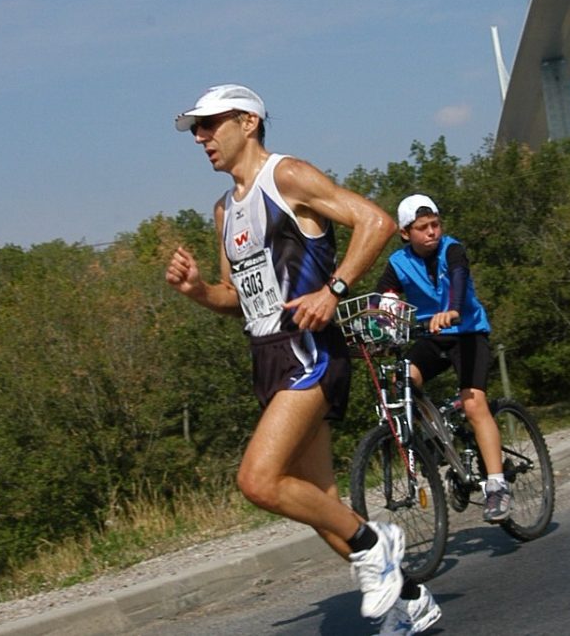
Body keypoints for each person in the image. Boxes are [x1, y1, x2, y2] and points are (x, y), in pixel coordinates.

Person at [165, 84, 441, 634]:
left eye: (208, 124)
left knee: (259, 481)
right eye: (194, 129)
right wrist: (198, 290)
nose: (200, 138)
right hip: (267, 356)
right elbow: (233, 297)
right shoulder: (224, 209)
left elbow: (377, 222)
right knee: (321, 505)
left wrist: (333, 290)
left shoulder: (286, 176)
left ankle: (376, 541)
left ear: (247, 122)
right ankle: (411, 602)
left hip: (310, 350)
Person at [374, 194, 512, 522]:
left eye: (435, 224)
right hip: (432, 337)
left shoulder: (453, 248)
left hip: (467, 332)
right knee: (404, 378)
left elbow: (459, 278)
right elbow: (385, 298)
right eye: (422, 228)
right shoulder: (399, 262)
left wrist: (452, 309)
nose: (431, 232)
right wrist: (378, 325)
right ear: (406, 233)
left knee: (475, 403)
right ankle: (436, 439)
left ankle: (496, 486)